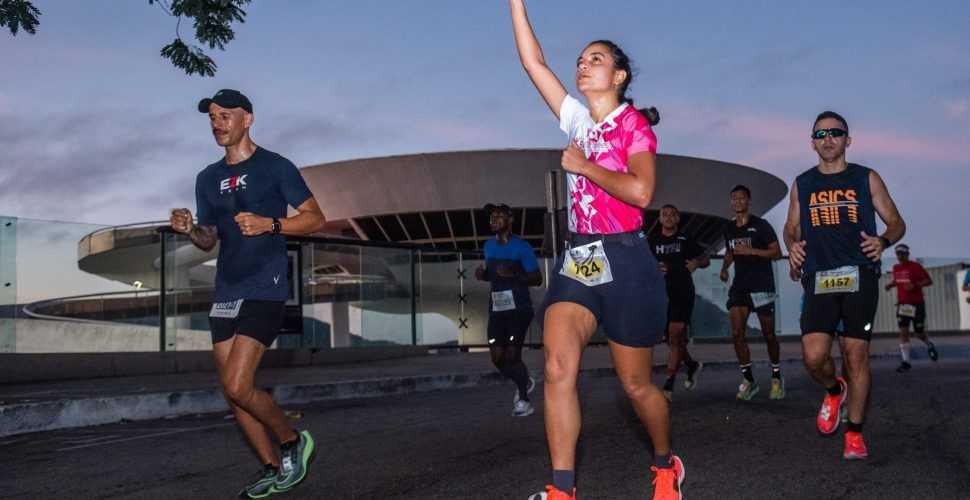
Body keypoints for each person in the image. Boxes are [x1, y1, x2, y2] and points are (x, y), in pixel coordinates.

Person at [508, 2, 684, 499]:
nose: (583, 64)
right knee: (558, 368)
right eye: (582, 59)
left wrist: (585, 168)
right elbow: (533, 63)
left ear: (620, 75)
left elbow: (642, 194)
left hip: (627, 260)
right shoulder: (578, 122)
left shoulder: (633, 127)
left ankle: (666, 464)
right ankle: (562, 489)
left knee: (636, 387)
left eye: (597, 58)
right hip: (580, 258)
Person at [169, 89, 325, 498]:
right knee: (233, 393)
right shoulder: (207, 178)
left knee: (240, 385)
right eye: (212, 118)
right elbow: (209, 240)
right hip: (227, 290)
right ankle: (272, 468)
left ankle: (293, 442)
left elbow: (314, 218)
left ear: (247, 119)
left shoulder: (275, 167)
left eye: (226, 116)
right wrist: (189, 229)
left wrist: (270, 224)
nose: (218, 124)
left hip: (265, 286)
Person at [784, 110, 905, 460]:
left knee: (856, 354)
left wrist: (883, 241)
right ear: (812, 142)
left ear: (848, 140)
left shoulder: (866, 178)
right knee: (814, 356)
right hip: (818, 276)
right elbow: (791, 227)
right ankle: (834, 389)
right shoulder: (803, 183)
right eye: (821, 134)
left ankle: (853, 433)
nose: (828, 139)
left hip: (860, 274)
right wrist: (792, 245)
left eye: (835, 133)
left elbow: (897, 222)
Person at [475, 203, 543, 417]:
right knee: (497, 358)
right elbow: (494, 274)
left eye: (498, 216)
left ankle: (523, 400)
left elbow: (537, 279)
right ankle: (524, 380)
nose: (493, 220)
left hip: (519, 309)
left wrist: (516, 271)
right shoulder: (488, 246)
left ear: (510, 220)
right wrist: (483, 275)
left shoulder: (522, 247)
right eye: (491, 217)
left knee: (513, 354)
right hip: (497, 308)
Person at [719, 185, 785, 400]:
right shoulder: (729, 228)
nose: (737, 202)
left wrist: (752, 251)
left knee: (768, 334)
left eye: (741, 198)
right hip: (740, 286)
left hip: (763, 285)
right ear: (731, 202)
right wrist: (724, 268)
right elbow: (730, 252)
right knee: (737, 334)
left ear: (748, 201)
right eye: (734, 198)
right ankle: (749, 380)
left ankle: (776, 377)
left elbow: (777, 253)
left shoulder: (761, 225)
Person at [648, 204, 709, 402]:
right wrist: (653, 268)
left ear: (677, 219)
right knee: (672, 339)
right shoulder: (652, 240)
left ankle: (668, 385)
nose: (668, 217)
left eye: (672, 214)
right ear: (660, 219)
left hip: (682, 292)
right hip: (659, 295)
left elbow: (705, 258)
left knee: (675, 334)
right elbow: (642, 263)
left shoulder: (685, 239)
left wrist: (696, 263)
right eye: (664, 214)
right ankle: (691, 365)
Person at [885, 244, 937, 372]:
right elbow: (898, 280)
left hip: (917, 304)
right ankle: (906, 362)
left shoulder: (916, 266)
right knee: (904, 332)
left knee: (918, 333)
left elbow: (929, 281)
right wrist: (890, 285)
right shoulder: (896, 268)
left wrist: (915, 285)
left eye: (903, 253)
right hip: (903, 305)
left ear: (907, 254)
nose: (900, 256)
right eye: (898, 254)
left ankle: (929, 344)